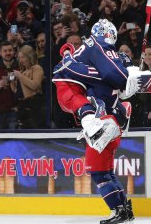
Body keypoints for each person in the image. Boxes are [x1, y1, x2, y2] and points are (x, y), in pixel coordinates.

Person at [53, 19, 137, 223]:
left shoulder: (98, 54)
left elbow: (74, 69)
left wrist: (66, 55)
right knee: (107, 172)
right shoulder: (115, 62)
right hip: (111, 124)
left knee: (98, 173)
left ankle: (117, 210)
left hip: (104, 124)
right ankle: (125, 209)